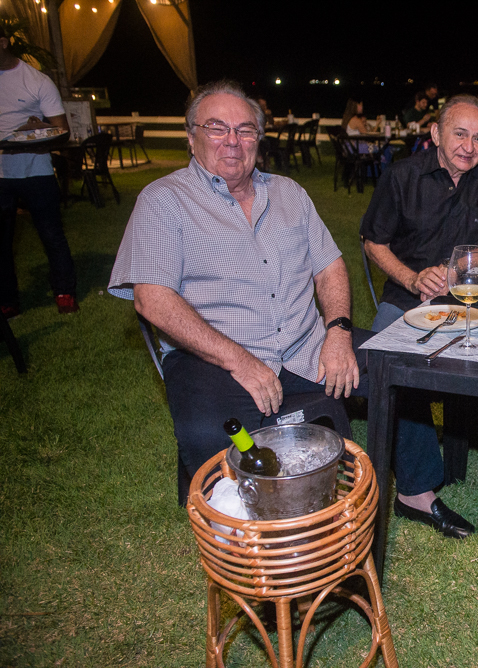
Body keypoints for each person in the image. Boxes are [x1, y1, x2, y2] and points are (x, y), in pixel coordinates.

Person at [109, 81, 364, 502]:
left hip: (307, 344)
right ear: (191, 137)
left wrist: (337, 331)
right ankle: (246, 527)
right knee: (210, 436)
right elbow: (151, 298)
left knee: (399, 368)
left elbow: (330, 265)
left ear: (258, 139)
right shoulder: (163, 200)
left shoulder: (289, 193)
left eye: (245, 130)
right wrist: (240, 361)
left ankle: (417, 493)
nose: (232, 140)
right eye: (217, 127)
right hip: (212, 358)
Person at [360, 94, 478, 538]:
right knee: (393, 369)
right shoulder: (402, 176)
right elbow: (373, 242)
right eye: (460, 134)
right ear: (436, 134)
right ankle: (416, 492)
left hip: (470, 295)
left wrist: (459, 267)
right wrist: (413, 279)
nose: (469, 146)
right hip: (407, 297)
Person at [0, 29, 77, 317]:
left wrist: (35, 130)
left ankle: (65, 292)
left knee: (51, 234)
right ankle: (7, 300)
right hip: (0, 176)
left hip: (37, 171)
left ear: (3, 43)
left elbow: (61, 130)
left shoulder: (36, 81)